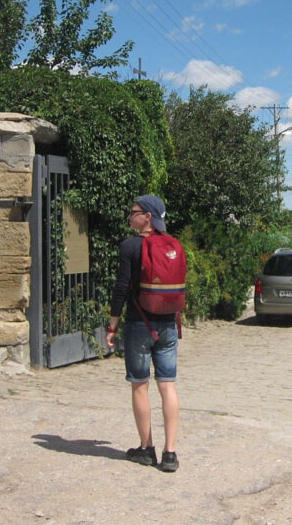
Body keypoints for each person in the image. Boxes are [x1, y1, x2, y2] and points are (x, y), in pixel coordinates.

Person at [106, 195, 181, 473]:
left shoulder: (130, 246)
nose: (130, 216)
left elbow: (122, 288)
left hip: (139, 325)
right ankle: (170, 453)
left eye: (134, 212)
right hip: (168, 326)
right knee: (168, 386)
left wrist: (112, 325)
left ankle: (147, 448)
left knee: (140, 385)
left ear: (147, 216)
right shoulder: (173, 244)